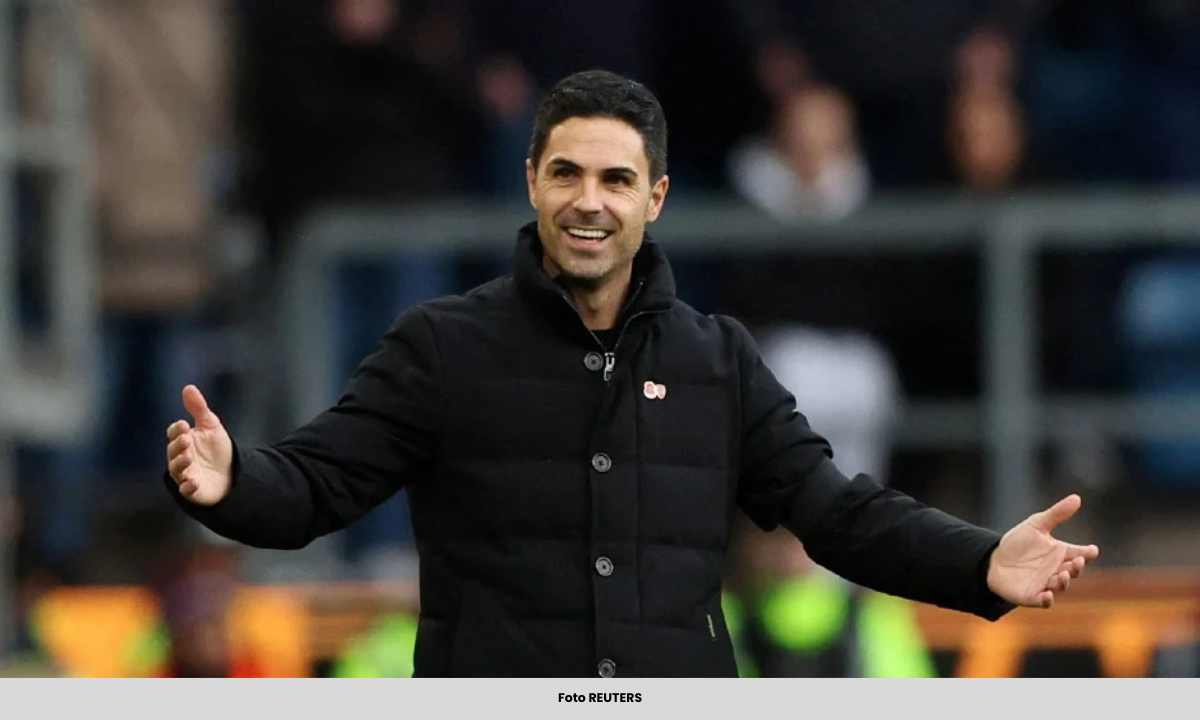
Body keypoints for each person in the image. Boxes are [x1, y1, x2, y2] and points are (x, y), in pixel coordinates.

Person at [163, 69, 1100, 678]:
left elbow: (838, 514)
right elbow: (316, 487)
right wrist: (233, 480)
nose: (589, 202)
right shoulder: (440, 347)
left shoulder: (719, 359)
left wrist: (980, 562)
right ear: (531, 181)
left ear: (655, 197)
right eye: (566, 173)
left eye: (615, 180)